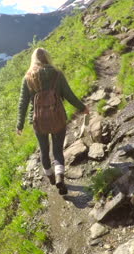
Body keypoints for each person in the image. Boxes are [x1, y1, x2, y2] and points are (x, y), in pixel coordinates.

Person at [16, 48, 89, 195]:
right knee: (57, 150)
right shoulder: (57, 74)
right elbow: (69, 95)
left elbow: (23, 103)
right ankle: (60, 177)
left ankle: (51, 179)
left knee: (44, 151)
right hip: (58, 117)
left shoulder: (28, 78)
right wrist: (82, 108)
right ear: (47, 58)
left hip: (38, 121)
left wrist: (20, 124)